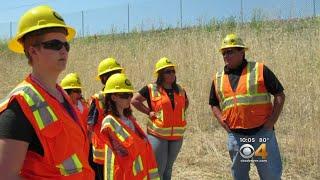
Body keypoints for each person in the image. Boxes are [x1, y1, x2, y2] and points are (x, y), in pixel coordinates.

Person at [0, 5, 94, 179]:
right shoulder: (18, 106)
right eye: (54, 44)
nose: (63, 50)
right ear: (33, 51)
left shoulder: (62, 96)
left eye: (66, 44)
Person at [209, 34, 285, 180]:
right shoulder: (218, 78)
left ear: (242, 52)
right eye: (224, 53)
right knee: (240, 176)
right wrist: (223, 122)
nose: (226, 55)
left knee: (270, 175)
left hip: (261, 136)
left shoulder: (259, 69)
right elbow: (213, 103)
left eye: (230, 51)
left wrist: (270, 124)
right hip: (237, 138)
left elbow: (280, 95)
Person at [131, 57, 189, 180]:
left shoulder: (180, 89)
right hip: (158, 135)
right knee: (159, 169)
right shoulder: (151, 88)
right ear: (160, 74)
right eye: (168, 71)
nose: (172, 74)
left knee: (169, 168)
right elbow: (134, 101)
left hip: (177, 137)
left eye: (173, 71)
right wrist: (148, 112)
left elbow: (185, 104)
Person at [100, 73, 159, 179]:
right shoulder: (109, 122)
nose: (129, 98)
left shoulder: (128, 118)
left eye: (130, 95)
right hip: (123, 173)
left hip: (136, 171)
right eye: (125, 95)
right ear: (113, 97)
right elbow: (124, 150)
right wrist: (142, 143)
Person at [87, 57, 124, 179]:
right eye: (113, 74)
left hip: (119, 151)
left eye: (118, 74)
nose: (117, 77)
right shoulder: (97, 99)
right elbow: (89, 126)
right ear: (104, 79)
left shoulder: (123, 95)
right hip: (102, 154)